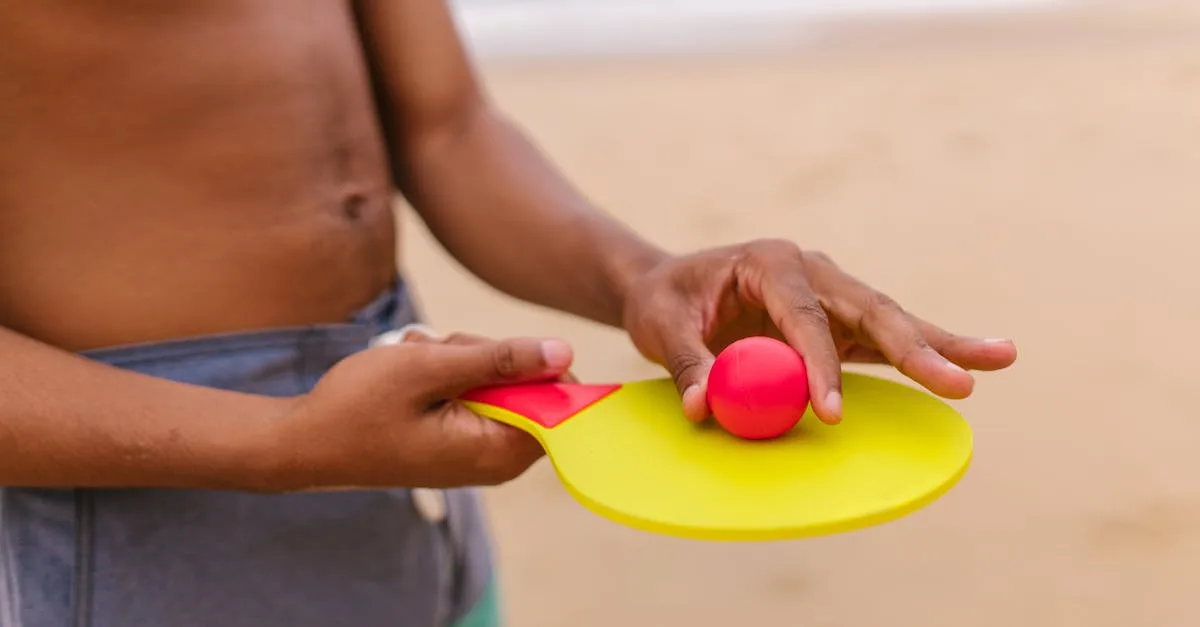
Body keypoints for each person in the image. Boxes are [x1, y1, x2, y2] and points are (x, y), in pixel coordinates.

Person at [0, 1, 1018, 626]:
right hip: (147, 495)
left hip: (391, 445)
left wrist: (641, 276)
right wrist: (280, 443)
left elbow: (445, 128)